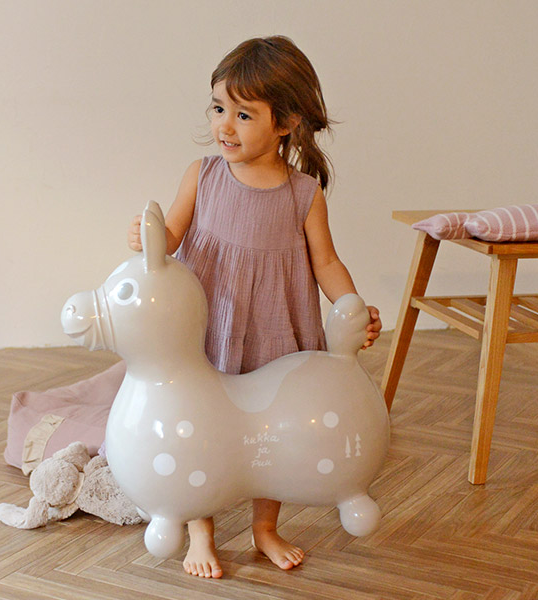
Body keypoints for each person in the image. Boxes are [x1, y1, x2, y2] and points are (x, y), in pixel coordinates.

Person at [126, 36, 382, 579]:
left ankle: (264, 527)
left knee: (270, 430)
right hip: (210, 325)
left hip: (275, 329)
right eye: (219, 108)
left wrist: (351, 306)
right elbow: (172, 236)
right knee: (203, 424)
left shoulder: (304, 193)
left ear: (286, 122)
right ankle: (201, 530)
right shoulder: (202, 175)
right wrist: (150, 238)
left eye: (243, 115)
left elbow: (327, 262)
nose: (225, 126)